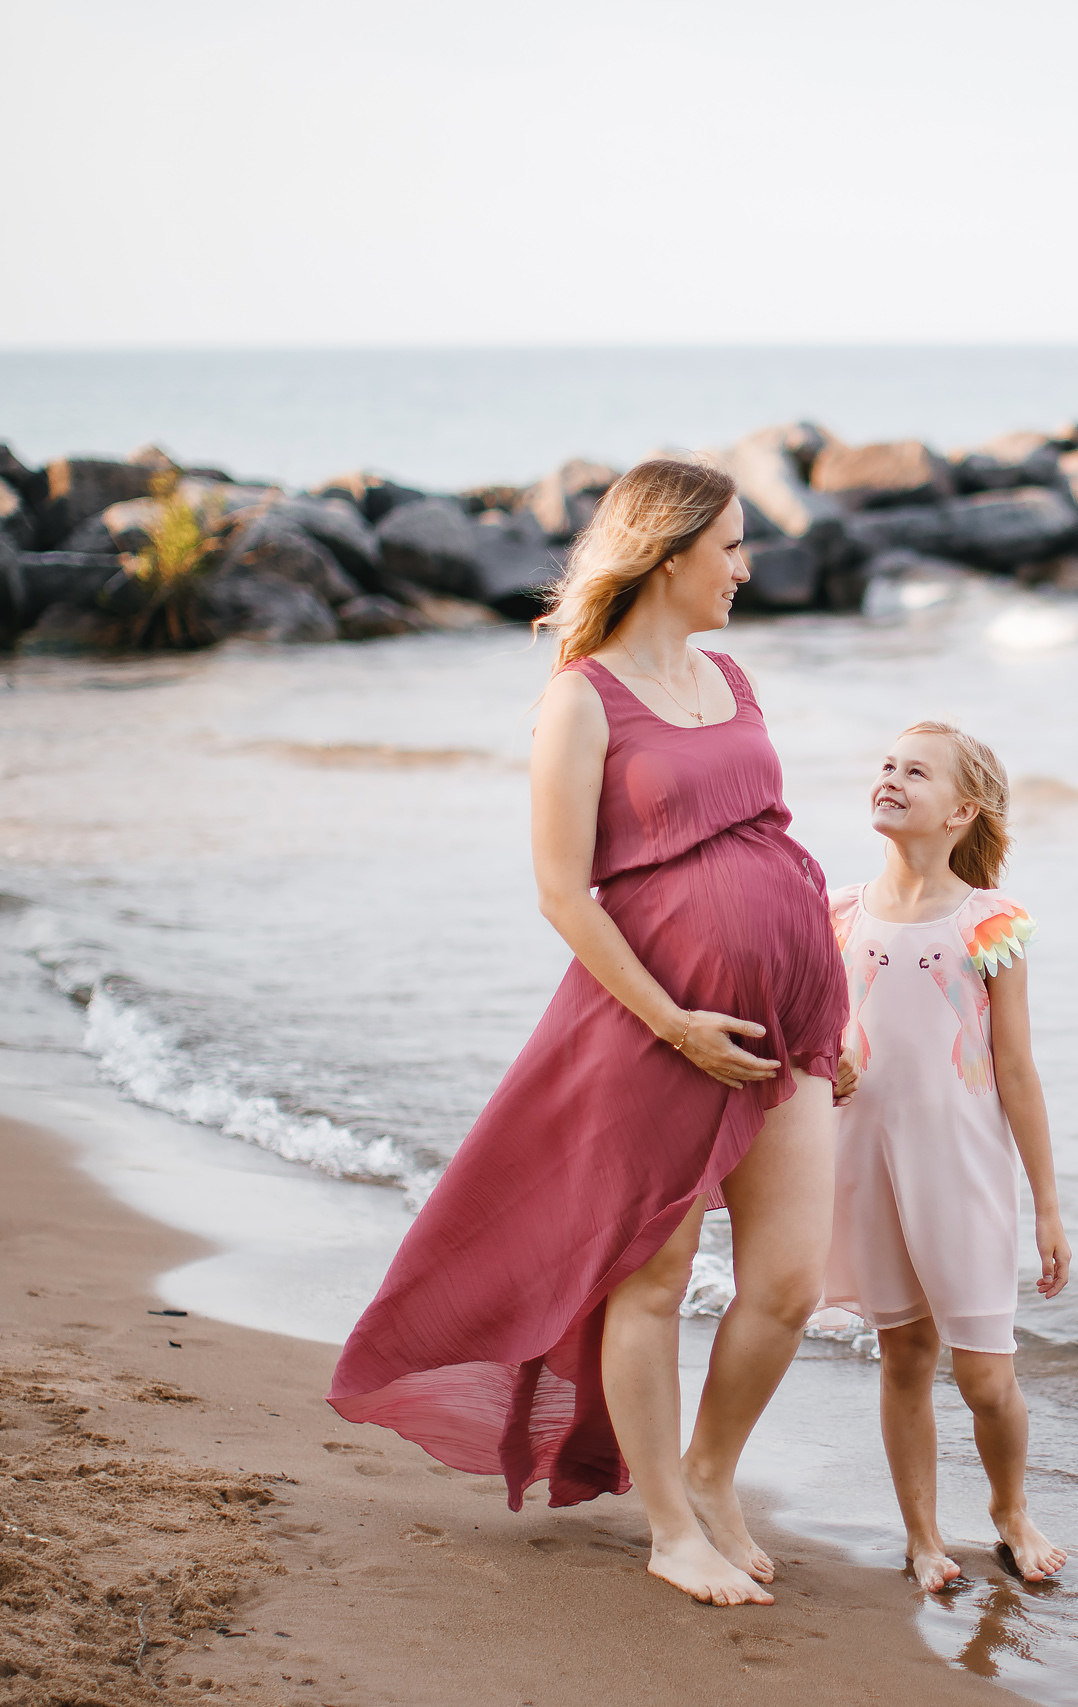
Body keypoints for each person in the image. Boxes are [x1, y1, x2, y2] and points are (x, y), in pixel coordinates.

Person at [326, 458, 848, 1608]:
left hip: (789, 1018)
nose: (746, 568)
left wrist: (832, 1008)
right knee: (652, 1281)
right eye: (732, 548)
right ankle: (670, 1526)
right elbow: (565, 894)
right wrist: (674, 1023)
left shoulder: (731, 675)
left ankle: (712, 1474)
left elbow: (775, 848)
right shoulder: (583, 696)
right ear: (668, 555)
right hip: (656, 1028)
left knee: (790, 1282)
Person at [825, 721, 1071, 1591]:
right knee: (904, 1356)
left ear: (961, 809)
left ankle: (1010, 1510)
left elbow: (1015, 1068)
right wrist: (832, 1062)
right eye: (886, 763)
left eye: (915, 771)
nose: (890, 776)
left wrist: (1046, 1203)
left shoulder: (988, 922)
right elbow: (820, 1033)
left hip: (962, 1168)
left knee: (985, 1374)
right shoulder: (842, 912)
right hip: (867, 1162)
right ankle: (923, 1536)